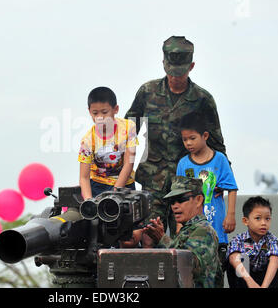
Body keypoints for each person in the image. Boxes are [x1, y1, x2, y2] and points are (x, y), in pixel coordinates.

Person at [125, 36, 227, 241]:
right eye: (171, 71)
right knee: (149, 236)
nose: (175, 77)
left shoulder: (202, 99)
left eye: (180, 72)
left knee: (186, 239)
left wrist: (221, 180)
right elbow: (127, 131)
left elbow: (216, 143)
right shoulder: (148, 92)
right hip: (153, 180)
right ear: (163, 64)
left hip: (188, 182)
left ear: (191, 66)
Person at [175, 112, 238, 268]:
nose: (188, 143)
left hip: (216, 227)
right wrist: (178, 227)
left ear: (205, 136)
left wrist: (230, 216)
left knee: (216, 271)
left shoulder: (220, 159)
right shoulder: (183, 164)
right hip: (191, 232)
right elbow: (179, 196)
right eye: (185, 139)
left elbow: (232, 188)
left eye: (192, 138)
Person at [143, 176, 223, 288]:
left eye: (180, 199)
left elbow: (190, 266)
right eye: (171, 201)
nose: (175, 206)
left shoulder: (203, 230)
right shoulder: (188, 229)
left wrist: (162, 238)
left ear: (199, 200)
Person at [78, 86, 138, 199]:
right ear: (89, 111)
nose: (100, 117)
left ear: (116, 109)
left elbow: (128, 164)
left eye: (104, 112)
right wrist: (89, 201)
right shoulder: (87, 141)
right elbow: (84, 177)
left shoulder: (128, 127)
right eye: (95, 113)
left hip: (125, 184)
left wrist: (114, 194)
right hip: (98, 186)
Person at [226, 196, 278, 288]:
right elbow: (233, 258)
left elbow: (275, 261)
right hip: (245, 279)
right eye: (258, 218)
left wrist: (264, 286)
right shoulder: (239, 239)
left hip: (265, 279)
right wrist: (250, 282)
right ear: (245, 221)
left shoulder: (271, 239)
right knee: (237, 259)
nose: (263, 223)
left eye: (267, 219)